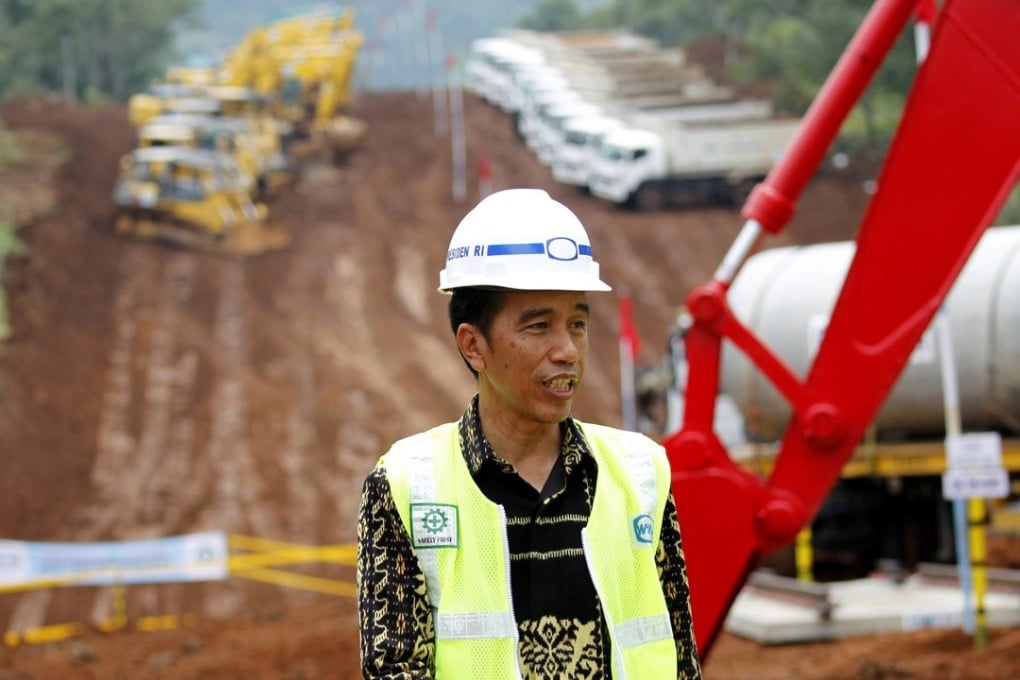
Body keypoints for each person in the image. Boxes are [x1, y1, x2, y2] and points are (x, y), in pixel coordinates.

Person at [356, 188, 701, 679]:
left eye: (577, 324)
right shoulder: (407, 488)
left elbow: (681, 659)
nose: (568, 351)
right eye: (539, 327)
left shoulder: (641, 473)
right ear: (473, 346)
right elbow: (394, 670)